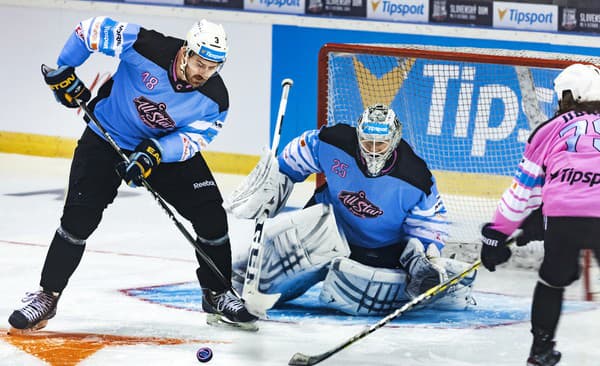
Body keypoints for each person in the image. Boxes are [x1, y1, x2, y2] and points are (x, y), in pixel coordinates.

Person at [8, 16, 257, 333]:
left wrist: (154, 153)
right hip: (106, 136)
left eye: (212, 67)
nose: (203, 73)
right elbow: (90, 31)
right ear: (186, 51)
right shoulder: (146, 46)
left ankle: (217, 292)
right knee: (78, 220)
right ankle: (46, 296)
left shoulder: (215, 99)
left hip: (160, 150)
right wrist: (64, 71)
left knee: (210, 214)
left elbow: (192, 140)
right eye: (200, 63)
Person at [225, 104, 477, 316]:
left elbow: (431, 224)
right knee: (277, 267)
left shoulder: (415, 177)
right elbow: (298, 153)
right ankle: (247, 279)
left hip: (382, 251)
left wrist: (425, 255)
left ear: (394, 140)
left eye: (381, 144)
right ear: (358, 135)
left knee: (360, 290)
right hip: (328, 229)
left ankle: (443, 289)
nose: (373, 149)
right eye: (368, 141)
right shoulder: (333, 142)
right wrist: (275, 179)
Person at [480, 63, 600, 366]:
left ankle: (540, 351)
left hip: (562, 216)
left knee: (552, 280)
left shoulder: (549, 129)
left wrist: (497, 235)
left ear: (571, 96)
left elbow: (522, 191)